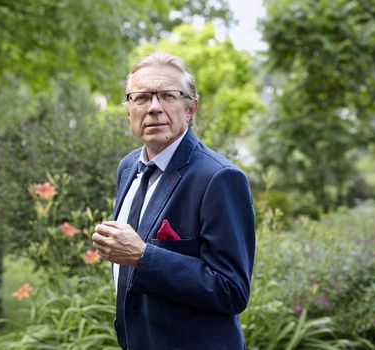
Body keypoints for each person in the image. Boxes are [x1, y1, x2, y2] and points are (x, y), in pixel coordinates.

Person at [92, 52, 255, 350]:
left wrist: (143, 256)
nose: (154, 107)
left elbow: (232, 290)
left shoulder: (219, 178)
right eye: (141, 98)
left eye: (168, 95)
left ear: (190, 109)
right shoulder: (128, 167)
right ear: (129, 110)